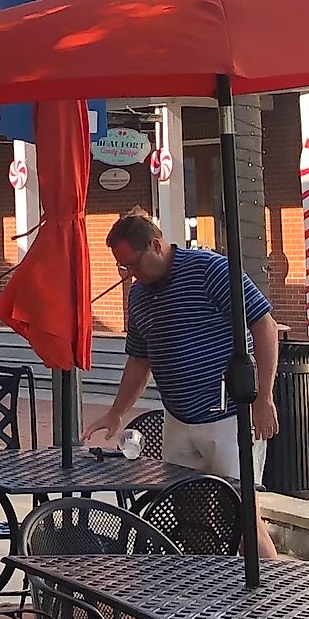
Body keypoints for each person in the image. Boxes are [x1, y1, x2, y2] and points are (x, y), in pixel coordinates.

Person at [85, 209, 282, 560]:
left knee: (242, 514)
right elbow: (139, 359)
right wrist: (117, 413)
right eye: (122, 268)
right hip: (177, 417)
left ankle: (269, 589)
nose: (129, 275)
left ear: (156, 246)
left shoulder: (210, 269)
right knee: (188, 514)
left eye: (131, 264)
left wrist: (263, 396)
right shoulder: (140, 296)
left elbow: (264, 325)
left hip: (226, 415)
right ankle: (207, 587)